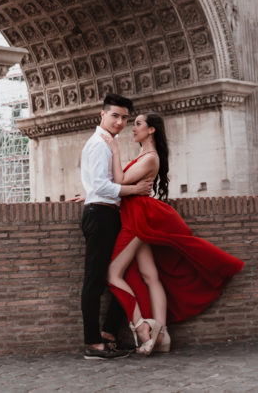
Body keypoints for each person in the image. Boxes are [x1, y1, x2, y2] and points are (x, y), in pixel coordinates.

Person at [105, 112, 244, 355]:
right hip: (136, 215)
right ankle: (163, 334)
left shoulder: (149, 158)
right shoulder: (143, 155)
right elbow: (121, 186)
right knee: (150, 275)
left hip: (139, 217)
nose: (132, 128)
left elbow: (120, 180)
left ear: (151, 130)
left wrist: (115, 152)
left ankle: (141, 326)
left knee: (113, 274)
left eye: (137, 124)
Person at [80, 93, 154, 360]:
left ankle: (109, 333)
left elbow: (98, 184)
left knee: (118, 274)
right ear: (102, 114)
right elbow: (101, 186)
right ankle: (93, 344)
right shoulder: (100, 144)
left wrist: (90, 191)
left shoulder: (109, 142)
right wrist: (133, 188)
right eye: (115, 116)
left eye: (125, 117)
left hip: (106, 212)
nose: (121, 122)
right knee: (95, 280)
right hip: (100, 214)